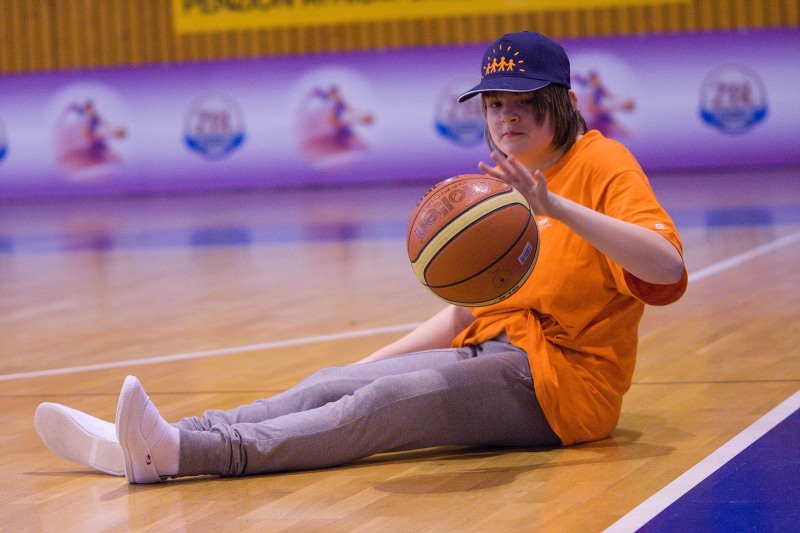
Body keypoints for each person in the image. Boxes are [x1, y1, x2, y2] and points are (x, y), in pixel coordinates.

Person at [34, 31, 687, 484]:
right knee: (334, 382)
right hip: (497, 350)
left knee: (379, 406)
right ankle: (165, 437)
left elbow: (667, 268)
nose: (506, 117)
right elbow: (466, 314)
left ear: (562, 104)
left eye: (524, 102)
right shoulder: (499, 186)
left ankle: (186, 454)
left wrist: (557, 207)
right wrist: (360, 364)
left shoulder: (601, 163)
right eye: (495, 104)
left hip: (563, 389)